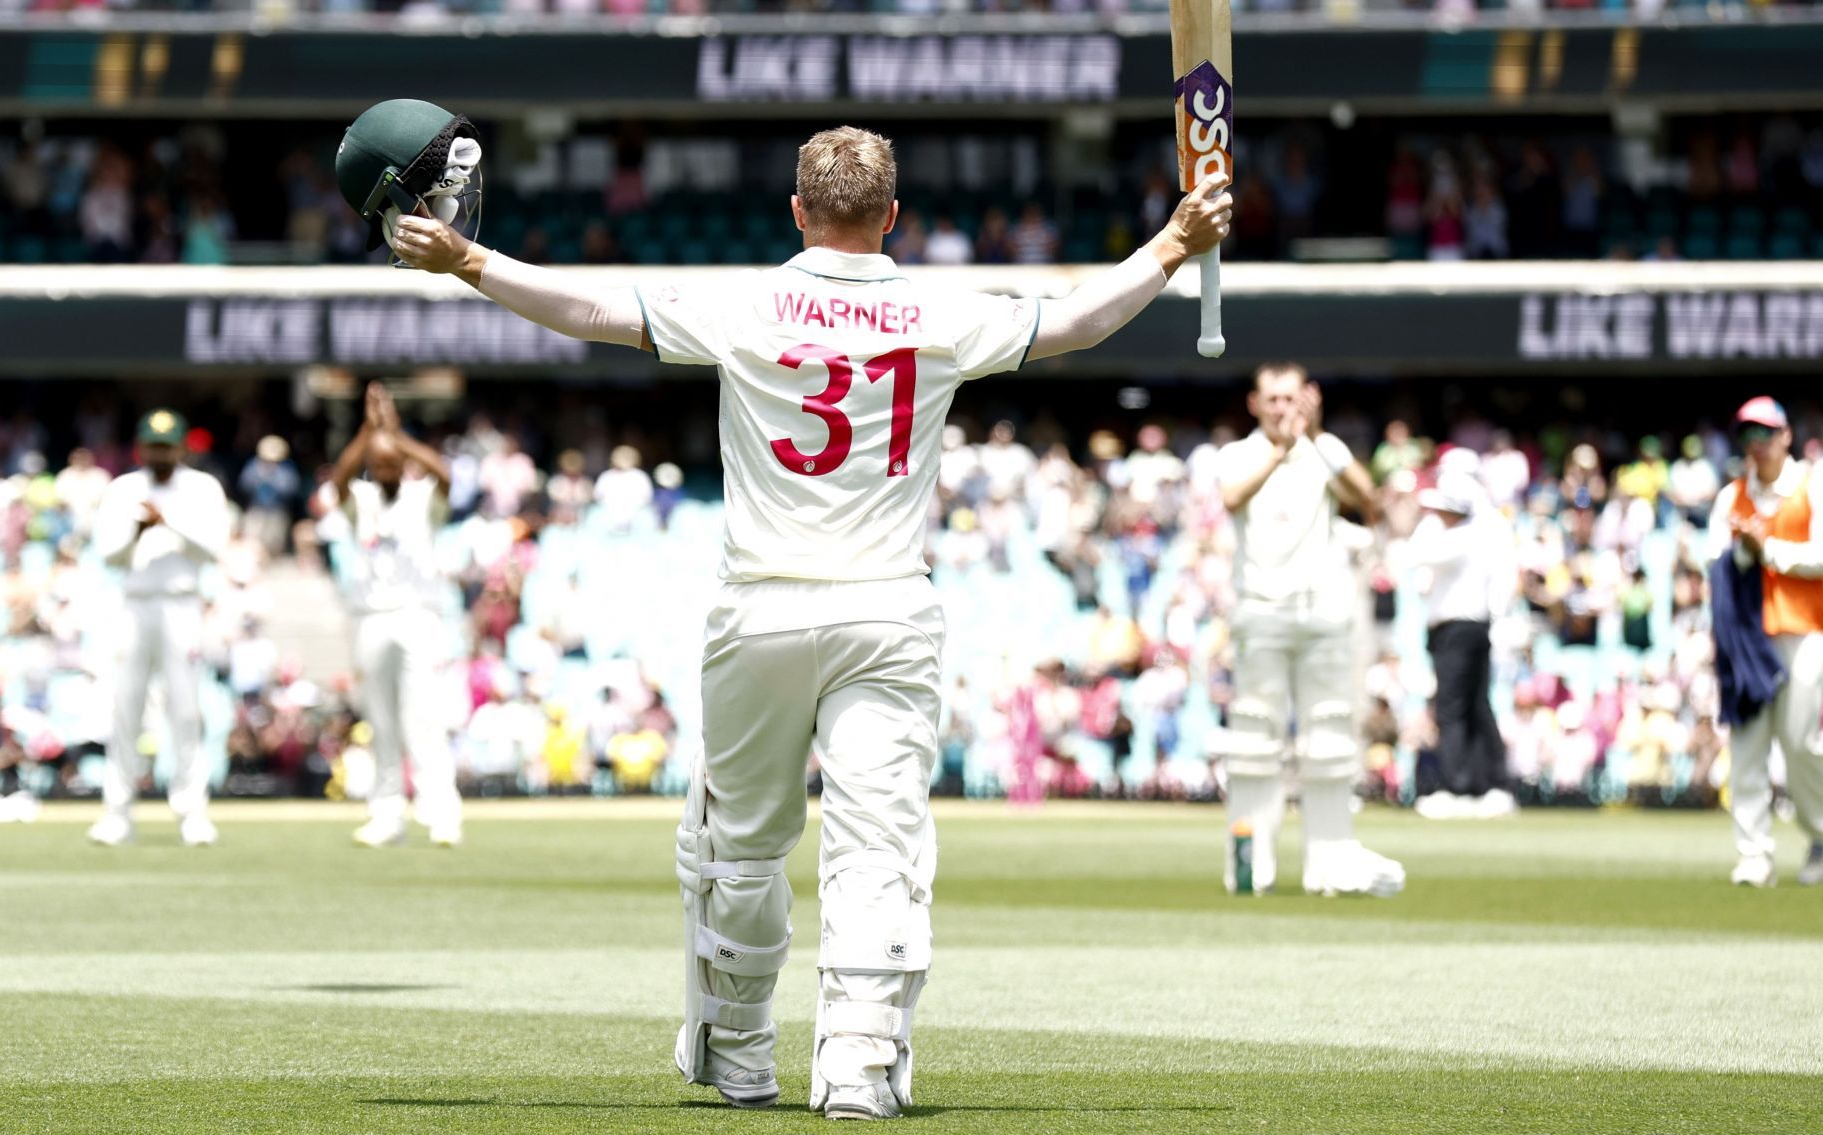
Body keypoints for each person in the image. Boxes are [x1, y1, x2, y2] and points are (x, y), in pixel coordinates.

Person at [388, 125, 1231, 1118]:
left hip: (763, 607)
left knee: (738, 844)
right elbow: (1082, 320)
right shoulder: (938, 309)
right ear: (893, 216)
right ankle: (858, 1067)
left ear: (797, 210)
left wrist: (470, 259)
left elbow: (590, 308)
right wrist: (1172, 243)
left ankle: (742, 1055)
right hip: (888, 606)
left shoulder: (744, 300)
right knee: (879, 844)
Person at [1217, 364, 1403, 897]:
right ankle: (1251, 871)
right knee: (1254, 740)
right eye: (1273, 399)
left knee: (1327, 740)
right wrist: (1279, 452)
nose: (1282, 409)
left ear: (1308, 400)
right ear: (1255, 403)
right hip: (1261, 611)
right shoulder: (1240, 454)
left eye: (1291, 399)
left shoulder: (1326, 450)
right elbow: (1231, 499)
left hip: (1322, 613)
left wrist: (1316, 436)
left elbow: (1367, 501)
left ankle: (1330, 867)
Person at [326, 382, 464, 848]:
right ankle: (387, 816)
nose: (384, 470)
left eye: (392, 464)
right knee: (380, 720)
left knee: (422, 718)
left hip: (416, 615)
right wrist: (369, 430)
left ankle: (442, 813)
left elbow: (444, 475)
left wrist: (396, 434)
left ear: (403, 465)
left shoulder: (422, 498)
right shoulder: (361, 500)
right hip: (369, 617)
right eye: (378, 464)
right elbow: (337, 481)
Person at [88, 410, 229, 847]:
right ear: (141, 447)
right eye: (153, 445)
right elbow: (108, 554)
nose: (160, 453)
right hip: (135, 603)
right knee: (124, 709)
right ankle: (118, 814)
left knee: (185, 711)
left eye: (167, 446)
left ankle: (192, 812)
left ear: (182, 448)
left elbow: (213, 548)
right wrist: (137, 528)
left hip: (181, 604)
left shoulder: (202, 488)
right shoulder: (123, 489)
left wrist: (168, 521)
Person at [1705, 397, 1823, 888]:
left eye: (1765, 434)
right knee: (1749, 748)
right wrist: (1744, 554)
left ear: (1786, 437)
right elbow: (1714, 562)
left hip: (1805, 631)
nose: (1757, 445)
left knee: (1801, 745)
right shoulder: (1731, 496)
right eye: (1749, 436)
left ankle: (1820, 835)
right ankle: (1754, 855)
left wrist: (1766, 549)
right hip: (1748, 642)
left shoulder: (1813, 484)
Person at [1407, 470, 1516, 819]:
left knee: (1453, 709)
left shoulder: (1461, 538)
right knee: (1473, 706)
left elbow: (1417, 554)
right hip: (1465, 630)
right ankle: (1485, 783)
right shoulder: (1476, 536)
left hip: (1459, 630)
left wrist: (1428, 524)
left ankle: (1460, 785)